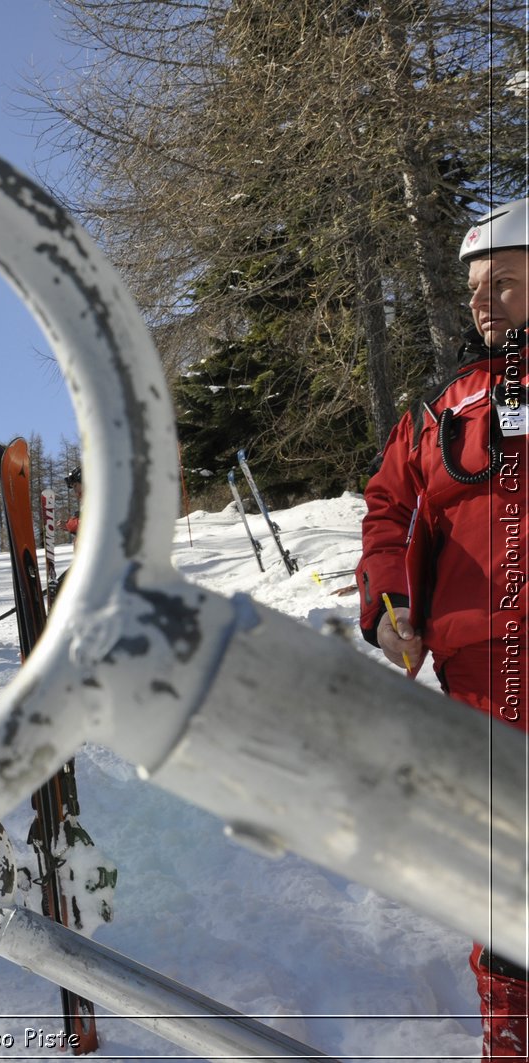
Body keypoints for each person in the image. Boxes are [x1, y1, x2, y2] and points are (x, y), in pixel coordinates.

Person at [357, 197, 528, 1062]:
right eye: (473, 290)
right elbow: (388, 512)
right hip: (480, 680)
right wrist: (393, 609)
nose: (482, 303)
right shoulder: (441, 409)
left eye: (502, 283)